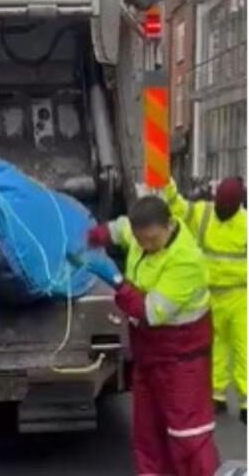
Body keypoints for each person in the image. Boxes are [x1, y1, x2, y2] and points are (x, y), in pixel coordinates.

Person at [74, 195, 219, 476]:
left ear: (169, 225)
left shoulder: (185, 262)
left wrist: (116, 280)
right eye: (141, 240)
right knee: (148, 435)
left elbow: (150, 313)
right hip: (149, 355)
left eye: (152, 239)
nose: (146, 246)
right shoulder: (140, 230)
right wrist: (90, 237)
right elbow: (118, 230)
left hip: (182, 362)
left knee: (187, 438)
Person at [163, 176, 246, 421]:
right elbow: (176, 205)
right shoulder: (204, 213)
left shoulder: (245, 224)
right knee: (216, 348)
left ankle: (246, 402)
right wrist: (165, 180)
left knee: (244, 350)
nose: (221, 208)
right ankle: (217, 396)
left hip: (240, 296)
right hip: (211, 295)